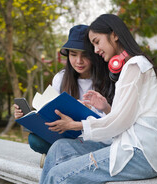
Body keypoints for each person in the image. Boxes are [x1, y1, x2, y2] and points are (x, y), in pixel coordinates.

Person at [29, 14, 157, 184]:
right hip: (126, 145)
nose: (96, 50)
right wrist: (105, 107)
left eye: (96, 42)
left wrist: (75, 125)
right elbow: (126, 117)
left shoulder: (134, 66)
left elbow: (119, 123)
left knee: (57, 176)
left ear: (114, 36)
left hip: (140, 153)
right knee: (59, 149)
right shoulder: (130, 66)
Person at [13, 24, 114, 167]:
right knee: (34, 140)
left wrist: (87, 112)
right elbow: (52, 113)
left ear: (94, 54)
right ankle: (67, 157)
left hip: (97, 139)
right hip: (67, 137)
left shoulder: (108, 80)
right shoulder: (61, 78)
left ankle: (60, 157)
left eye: (85, 55)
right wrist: (26, 117)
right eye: (73, 55)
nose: (79, 61)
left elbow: (113, 123)